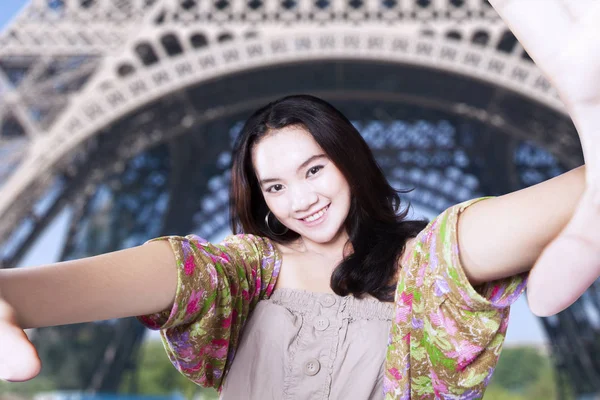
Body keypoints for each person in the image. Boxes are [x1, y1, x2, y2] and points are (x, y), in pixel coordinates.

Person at [1, 0, 599, 398]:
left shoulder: (426, 268)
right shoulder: (245, 274)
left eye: (314, 169)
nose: (301, 200)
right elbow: (179, 271)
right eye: (276, 186)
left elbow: (474, 237)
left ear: (350, 160)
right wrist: (14, 295)